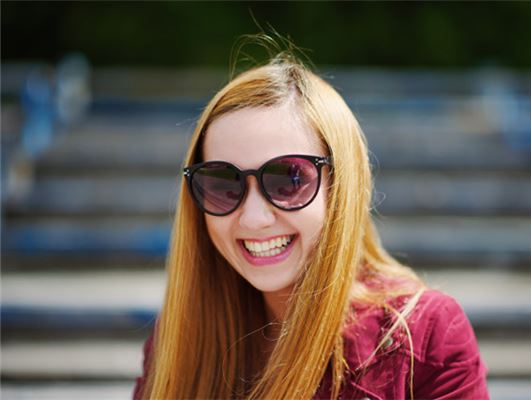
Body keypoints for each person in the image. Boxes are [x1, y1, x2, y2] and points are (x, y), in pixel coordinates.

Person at [133, 41, 489, 400]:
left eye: (288, 180)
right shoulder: (180, 339)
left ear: (340, 186)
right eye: (222, 183)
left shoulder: (425, 335)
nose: (254, 218)